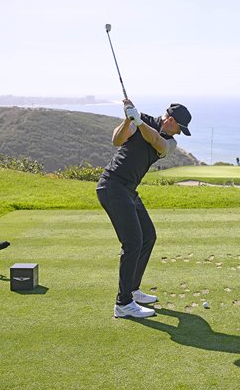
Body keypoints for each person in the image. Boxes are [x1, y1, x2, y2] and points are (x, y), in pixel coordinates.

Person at [96, 100, 192, 318]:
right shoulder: (142, 119)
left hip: (129, 189)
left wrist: (138, 121)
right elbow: (116, 140)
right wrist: (128, 118)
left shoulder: (170, 142)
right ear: (170, 120)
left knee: (148, 236)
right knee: (132, 242)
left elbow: (157, 142)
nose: (178, 133)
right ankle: (123, 303)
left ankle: (132, 289)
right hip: (112, 185)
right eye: (179, 128)